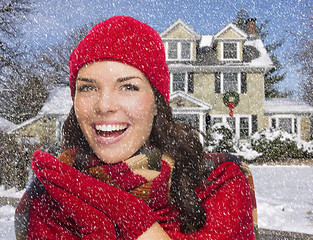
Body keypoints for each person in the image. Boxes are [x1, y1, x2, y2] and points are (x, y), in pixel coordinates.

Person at [15, 16, 256, 240]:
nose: (104, 105)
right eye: (88, 87)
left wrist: (133, 219)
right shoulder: (50, 197)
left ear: (156, 103)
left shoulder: (219, 183)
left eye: (128, 87)